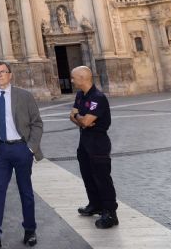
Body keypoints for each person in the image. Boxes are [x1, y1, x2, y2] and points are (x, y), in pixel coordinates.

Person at [0, 61, 43, 248]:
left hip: (21, 148)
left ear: (10, 74)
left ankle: (30, 230)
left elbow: (37, 123)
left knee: (25, 191)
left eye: (2, 72)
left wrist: (30, 148)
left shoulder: (24, 95)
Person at [70, 66, 119, 229]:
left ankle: (110, 213)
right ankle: (95, 204)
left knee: (102, 178)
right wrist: (81, 118)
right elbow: (74, 117)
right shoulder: (80, 95)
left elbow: (84, 121)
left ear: (82, 78)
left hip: (98, 143)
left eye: (73, 77)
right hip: (84, 141)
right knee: (88, 175)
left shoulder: (98, 97)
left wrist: (80, 118)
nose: (71, 80)